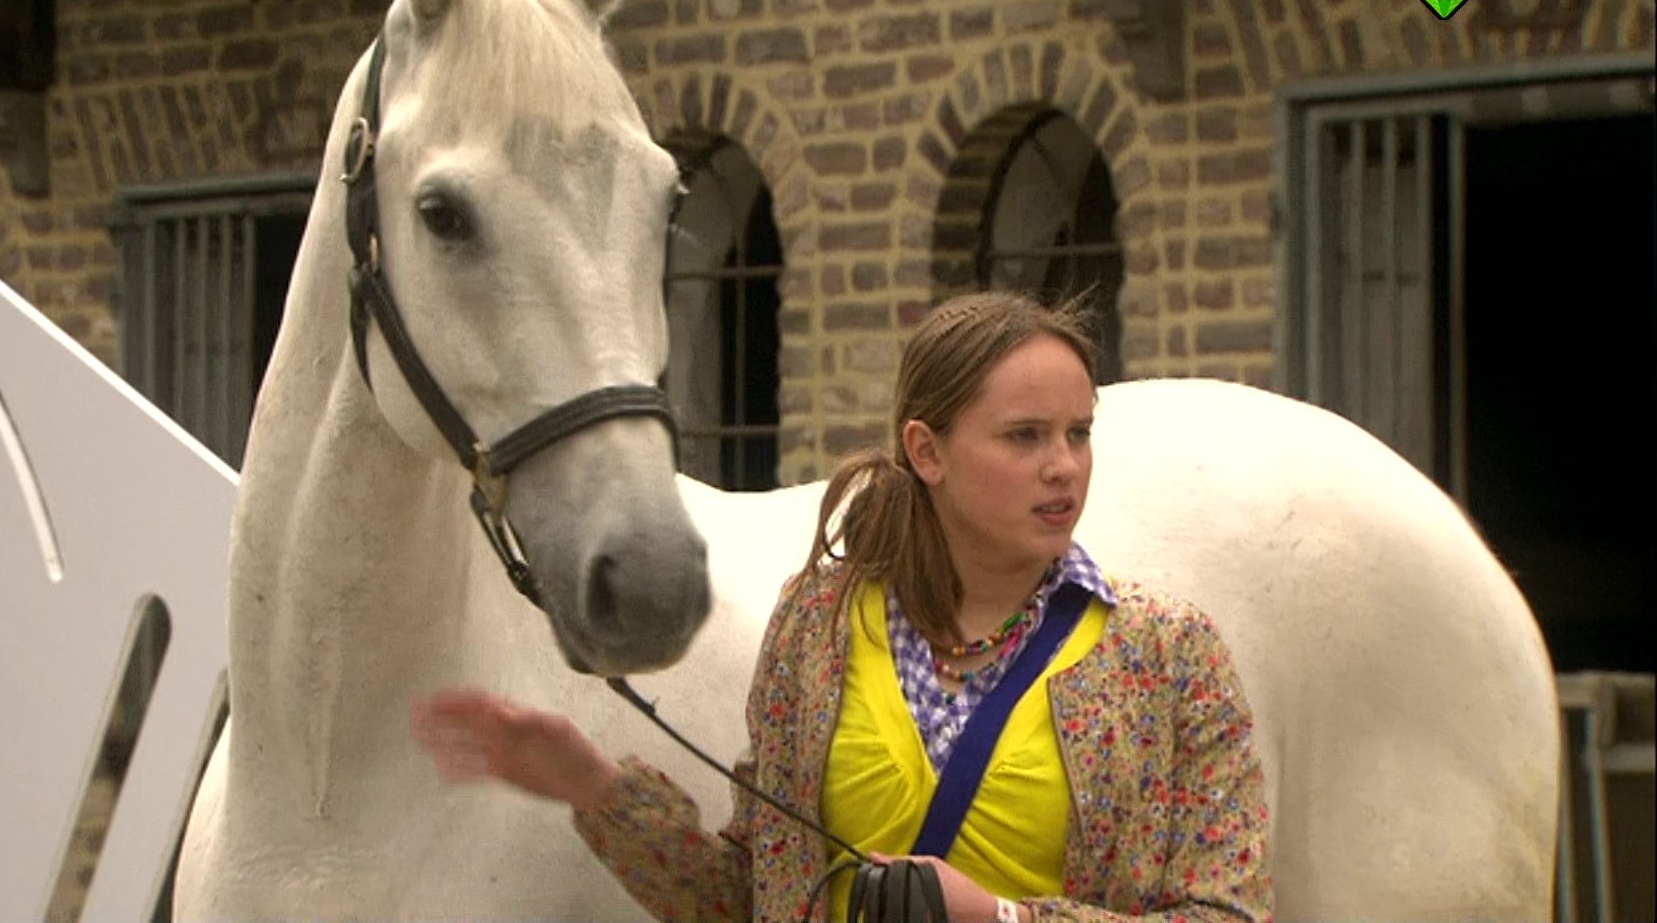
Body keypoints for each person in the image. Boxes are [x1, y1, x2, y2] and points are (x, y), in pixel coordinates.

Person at [411, 292, 1272, 922]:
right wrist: (595, 788)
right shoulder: (818, 627)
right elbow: (751, 898)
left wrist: (1002, 919)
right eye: (1026, 436)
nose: (1064, 466)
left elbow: (1226, 915)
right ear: (926, 451)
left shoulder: (1167, 654)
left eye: (1078, 433)